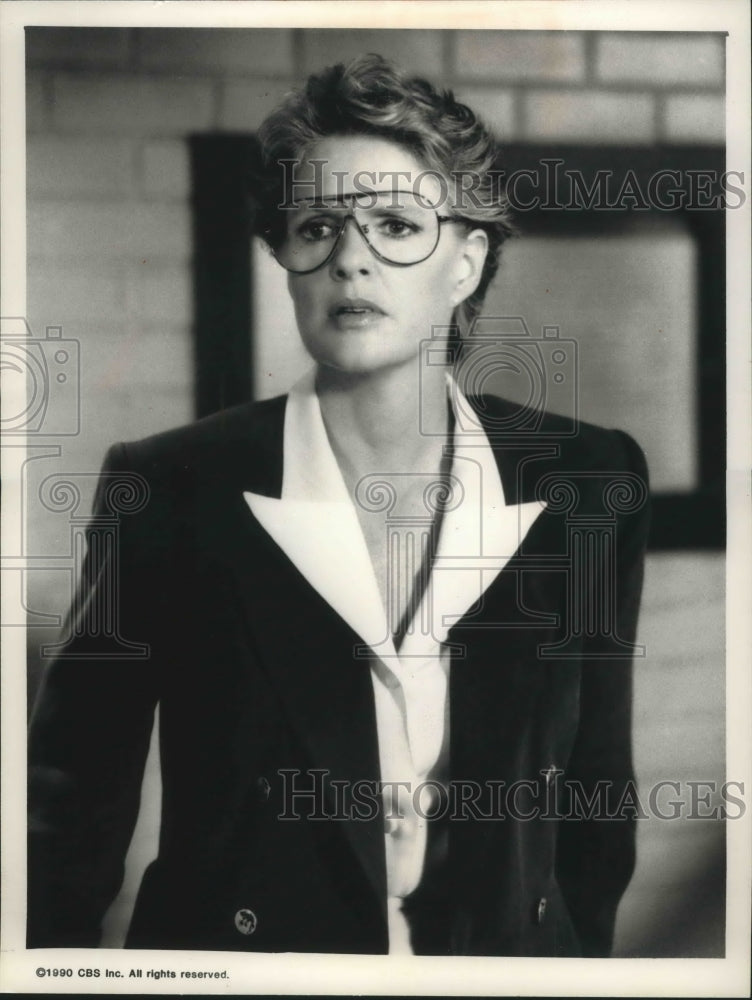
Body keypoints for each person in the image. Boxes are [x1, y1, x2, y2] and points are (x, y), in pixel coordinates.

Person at [27, 54, 650, 957]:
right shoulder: (168, 489)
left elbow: (599, 799)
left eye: (397, 224)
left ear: (467, 262)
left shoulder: (586, 481)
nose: (352, 258)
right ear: (284, 260)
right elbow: (64, 819)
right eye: (318, 225)